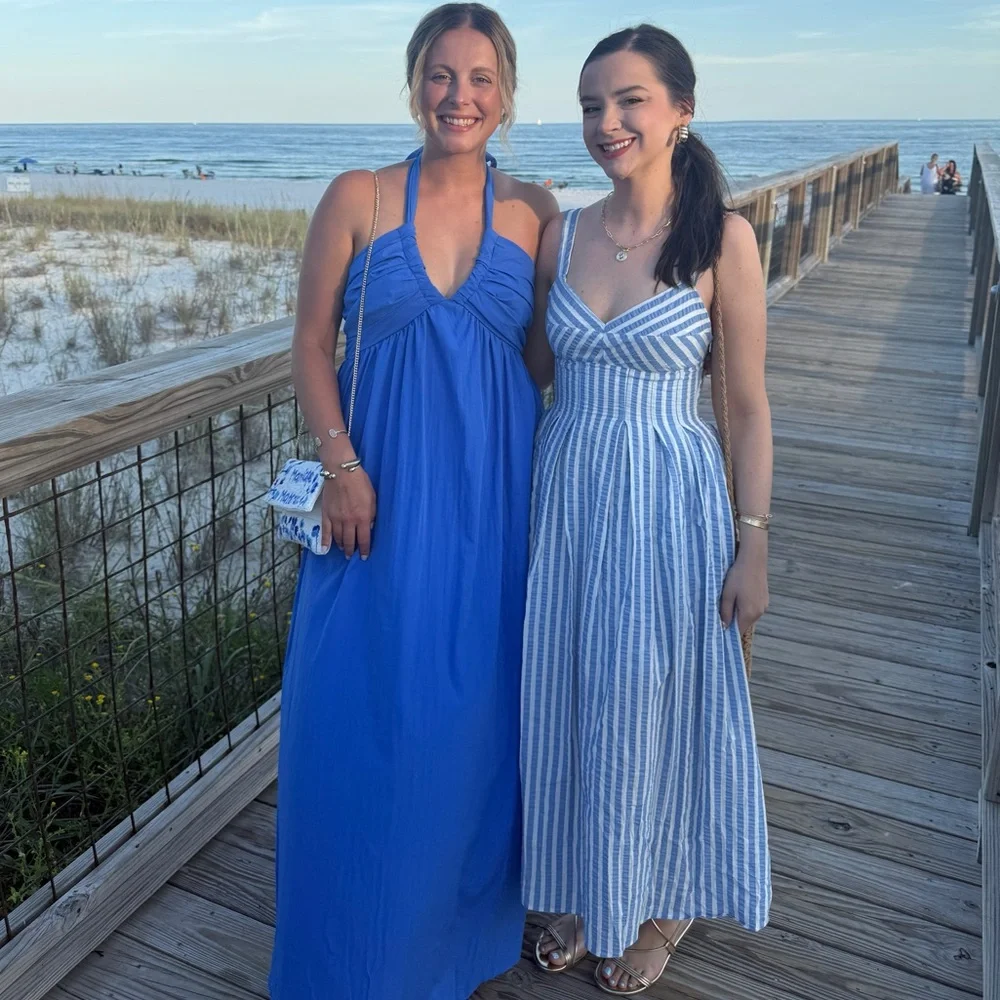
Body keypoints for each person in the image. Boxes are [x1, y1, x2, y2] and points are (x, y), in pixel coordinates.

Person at [268, 5, 558, 1000]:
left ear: (507, 94)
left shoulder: (534, 212)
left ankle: (452, 951)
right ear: (413, 85)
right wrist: (341, 461)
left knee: (471, 735)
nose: (458, 96)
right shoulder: (356, 196)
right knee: (348, 728)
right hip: (372, 513)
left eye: (479, 78)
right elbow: (310, 343)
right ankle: (345, 959)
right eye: (440, 75)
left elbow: (534, 365)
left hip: (489, 520)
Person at [521, 23, 772, 995]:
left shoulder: (724, 241)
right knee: (572, 692)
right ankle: (594, 887)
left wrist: (751, 541)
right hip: (569, 491)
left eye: (629, 100)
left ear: (680, 110)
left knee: (658, 698)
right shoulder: (564, 231)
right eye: (591, 104)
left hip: (670, 498)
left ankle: (662, 909)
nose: (607, 122)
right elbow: (525, 375)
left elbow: (744, 408)